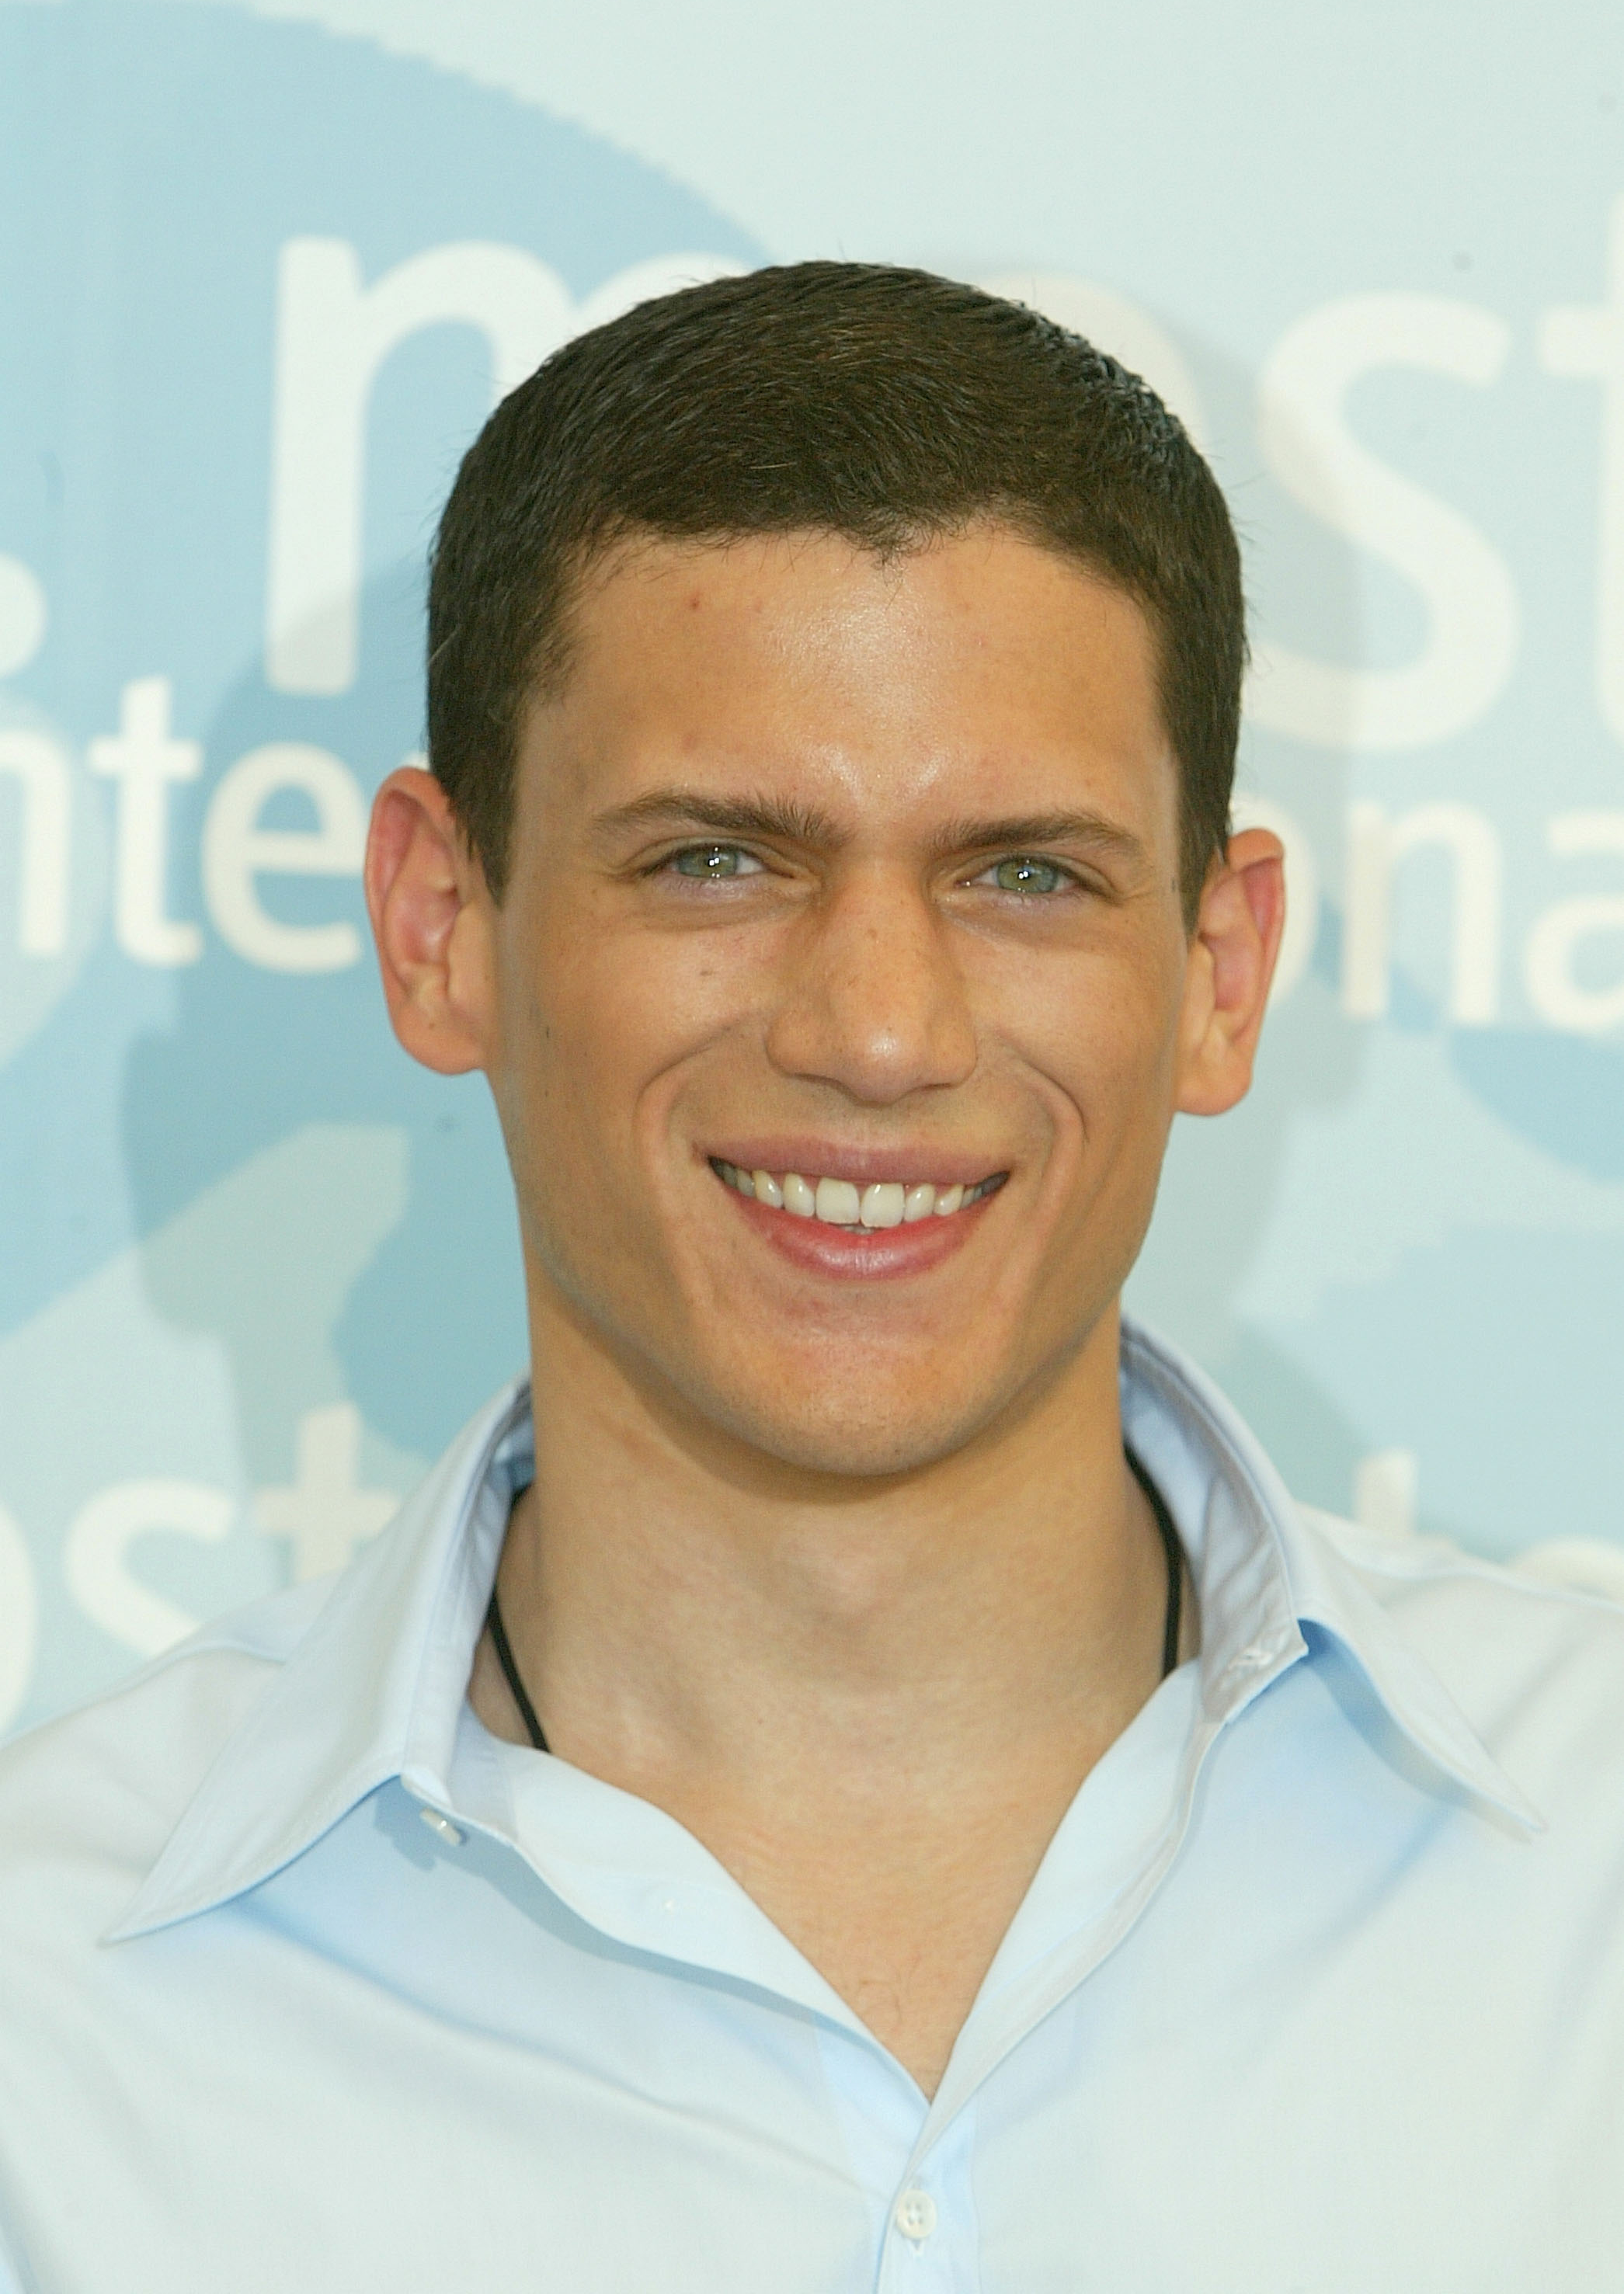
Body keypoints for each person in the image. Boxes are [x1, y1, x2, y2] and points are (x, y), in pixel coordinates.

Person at [2, 263, 1621, 2292]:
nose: (877, 1029)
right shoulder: (43, 2020)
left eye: (1023, 874)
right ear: (442, 926)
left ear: (1218, 976)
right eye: (716, 859)